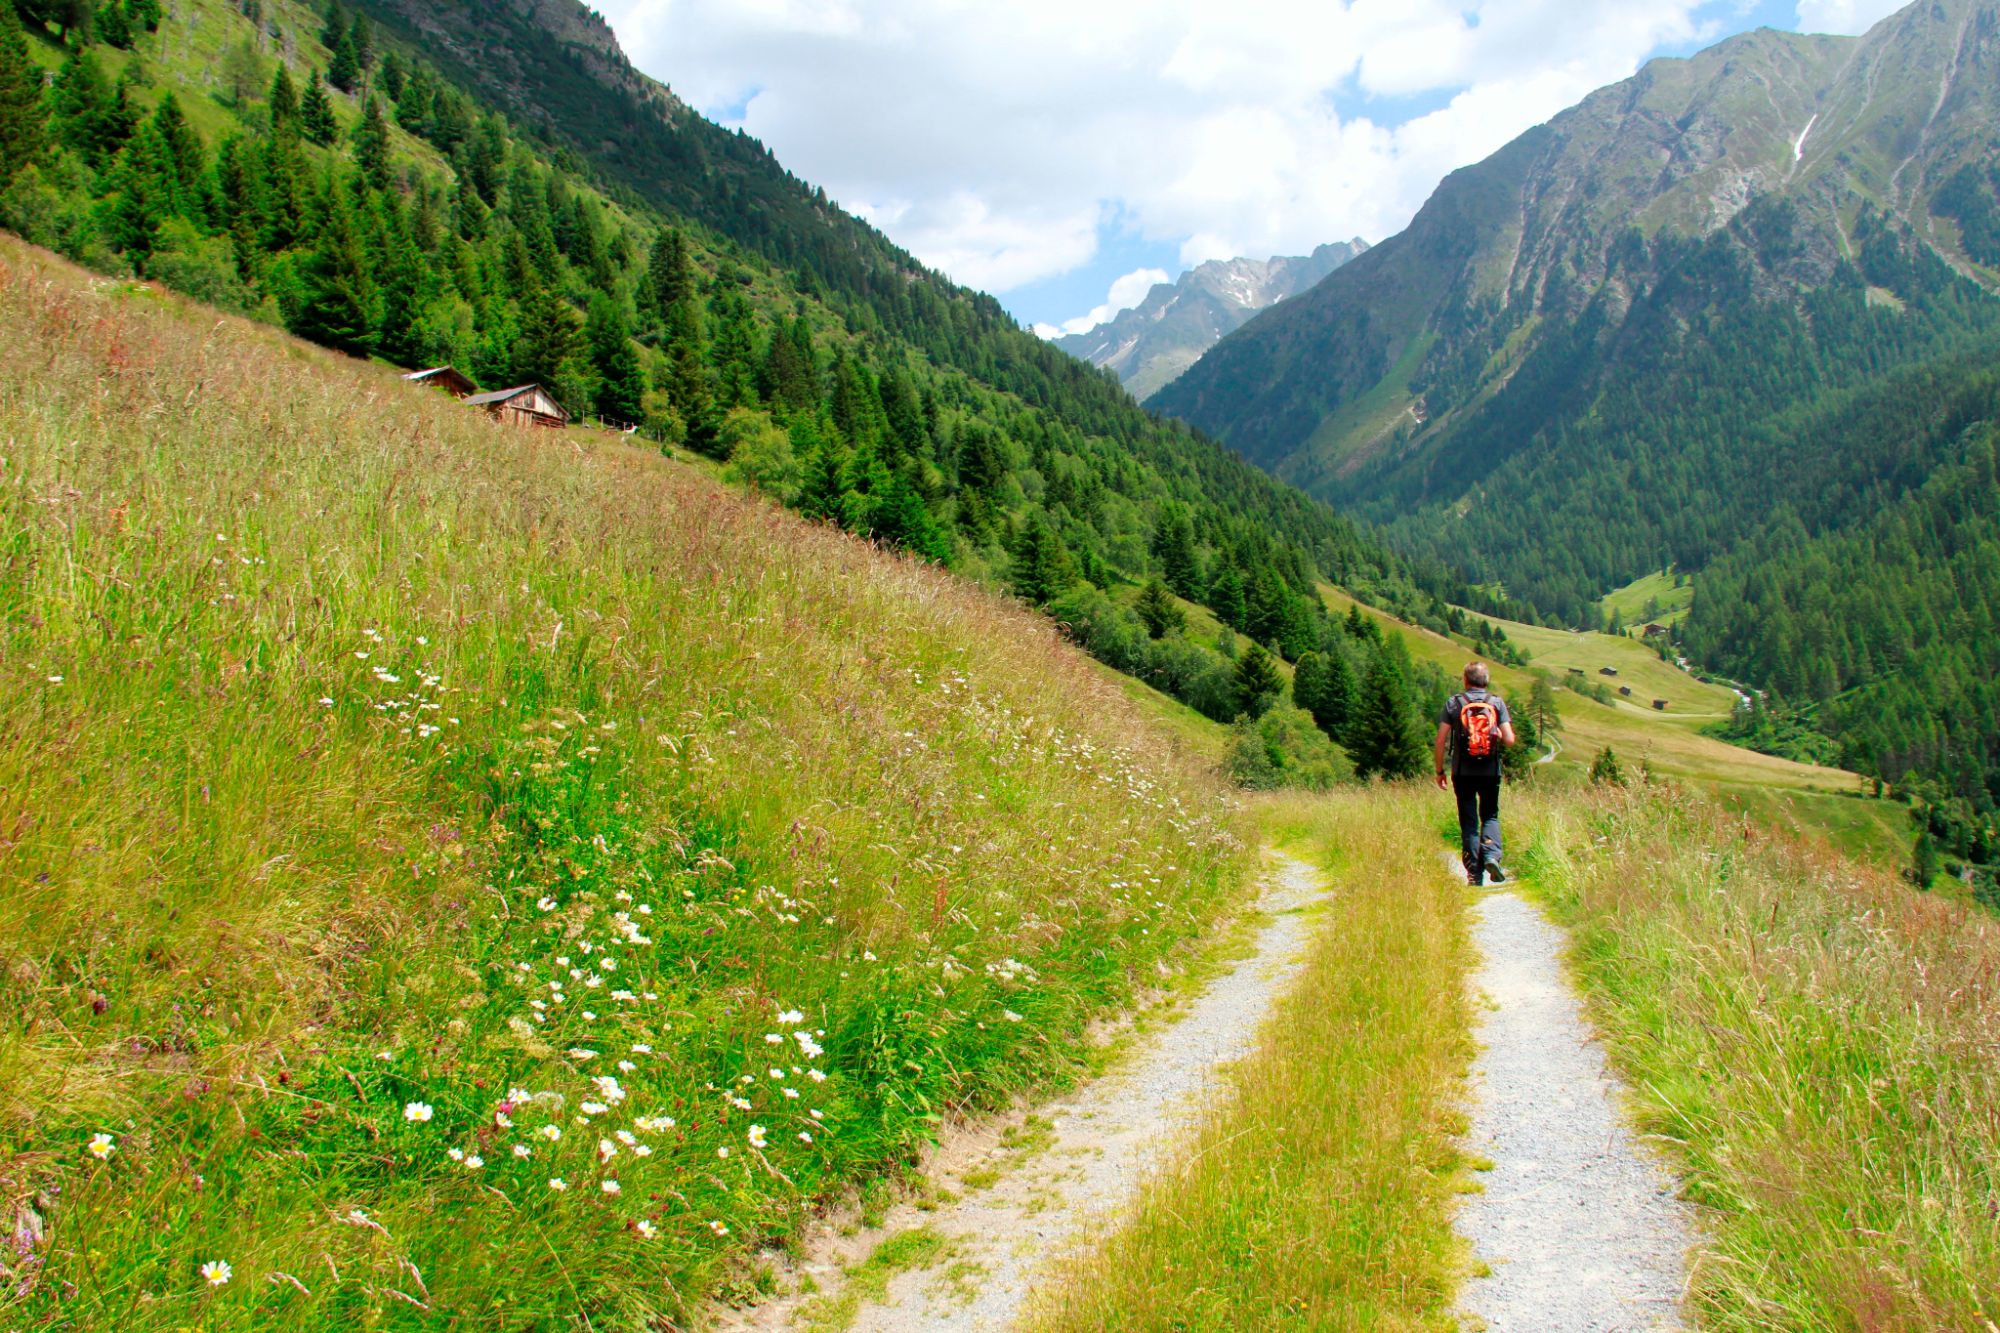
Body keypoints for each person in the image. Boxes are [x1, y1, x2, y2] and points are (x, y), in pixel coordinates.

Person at [1435, 661, 1516, 886]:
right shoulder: (1496, 703)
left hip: (1462, 772)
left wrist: (1440, 770)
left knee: (1469, 821)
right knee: (1490, 815)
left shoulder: (1454, 703)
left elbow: (1440, 740)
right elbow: (1510, 740)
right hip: (1490, 771)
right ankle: (1491, 856)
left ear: (1465, 680)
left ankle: (1474, 873)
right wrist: (1496, 732)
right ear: (1486, 681)